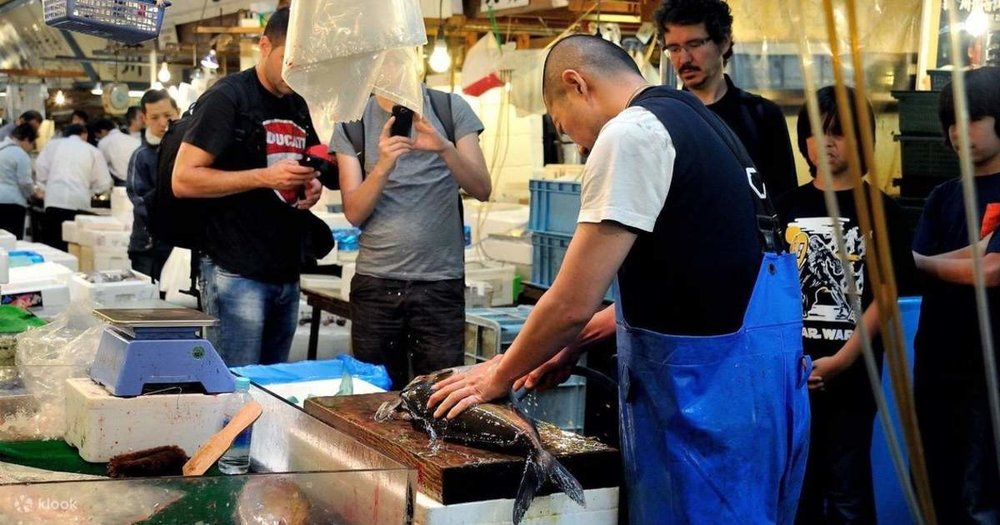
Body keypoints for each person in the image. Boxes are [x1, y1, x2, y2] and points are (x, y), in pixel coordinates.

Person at [427, 35, 810, 524]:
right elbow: (700, 274)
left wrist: (495, 376)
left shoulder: (630, 133)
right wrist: (570, 344)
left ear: (577, 83)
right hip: (759, 393)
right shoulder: (696, 120)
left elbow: (571, 303)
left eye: (567, 128)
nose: (580, 144)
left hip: (708, 404)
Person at [776, 86, 918, 524]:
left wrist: (840, 360)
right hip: (790, 375)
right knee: (795, 486)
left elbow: (886, 293)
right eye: (818, 132)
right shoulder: (784, 208)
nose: (828, 143)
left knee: (848, 488)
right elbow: (769, 292)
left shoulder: (883, 212)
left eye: (840, 132)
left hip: (855, 374)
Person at [172, 7, 324, 367]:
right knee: (234, 390)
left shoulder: (297, 103)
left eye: (306, 64)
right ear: (264, 45)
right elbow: (183, 179)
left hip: (285, 271)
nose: (297, 72)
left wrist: (311, 184)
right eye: (290, 59)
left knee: (272, 394)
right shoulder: (228, 98)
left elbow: (311, 156)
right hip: (234, 272)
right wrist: (263, 177)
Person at [330, 86, 491, 389]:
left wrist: (444, 147)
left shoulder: (449, 108)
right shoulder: (352, 121)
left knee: (440, 398)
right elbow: (354, 211)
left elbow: (482, 188)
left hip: (440, 285)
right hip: (376, 284)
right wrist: (383, 165)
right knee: (373, 395)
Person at [912, 66, 1000, 523]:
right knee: (934, 484)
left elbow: (991, 270)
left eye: (970, 118)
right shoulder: (942, 196)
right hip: (936, 359)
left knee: (981, 496)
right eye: (950, 121)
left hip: (989, 369)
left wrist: (922, 263)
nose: (956, 131)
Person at [654, 0, 797, 198]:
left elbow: (783, 196)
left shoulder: (761, 115)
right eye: (674, 48)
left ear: (723, 42)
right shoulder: (661, 119)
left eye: (694, 45)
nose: (684, 59)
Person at [127, 89, 179, 282]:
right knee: (150, 307)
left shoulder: (188, 151)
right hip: (147, 247)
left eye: (168, 115)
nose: (163, 123)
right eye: (155, 117)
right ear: (144, 118)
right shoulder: (141, 156)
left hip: (181, 248)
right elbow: (138, 199)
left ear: (178, 112)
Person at [34, 124, 112, 251]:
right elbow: (104, 183)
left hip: (53, 202)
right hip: (78, 204)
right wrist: (91, 190)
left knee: (52, 247)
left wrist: (46, 186)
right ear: (84, 135)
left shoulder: (52, 145)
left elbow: (40, 167)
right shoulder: (92, 150)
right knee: (73, 248)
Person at [0, 123, 38, 238]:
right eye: (32, 143)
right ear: (26, 139)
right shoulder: (21, 155)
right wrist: (33, 193)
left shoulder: (1, 149)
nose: (31, 147)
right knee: (12, 240)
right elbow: (25, 181)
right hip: (13, 204)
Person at [93, 117, 141, 186]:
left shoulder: (103, 142)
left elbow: (101, 167)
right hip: (141, 182)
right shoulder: (133, 140)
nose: (98, 139)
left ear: (102, 131)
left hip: (122, 183)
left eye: (98, 136)